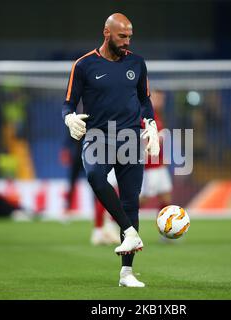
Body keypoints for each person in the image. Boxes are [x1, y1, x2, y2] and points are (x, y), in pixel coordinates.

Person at [62, 13, 159, 287]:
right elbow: (68, 104)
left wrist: (150, 124)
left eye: (130, 37)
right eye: (122, 36)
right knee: (94, 176)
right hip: (97, 137)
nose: (127, 42)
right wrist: (68, 118)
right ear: (107, 32)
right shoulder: (83, 65)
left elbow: (145, 100)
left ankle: (127, 273)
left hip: (130, 138)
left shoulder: (137, 63)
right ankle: (129, 231)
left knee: (131, 203)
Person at [59, 134, 120, 245]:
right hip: (90, 153)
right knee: (100, 188)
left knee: (99, 188)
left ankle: (101, 228)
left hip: (94, 152)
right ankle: (101, 228)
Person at [140, 90, 173, 215]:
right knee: (143, 199)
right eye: (158, 98)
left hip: (159, 166)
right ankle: (117, 220)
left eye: (162, 99)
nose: (161, 101)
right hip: (149, 167)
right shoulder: (144, 118)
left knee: (166, 197)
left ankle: (166, 230)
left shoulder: (158, 116)